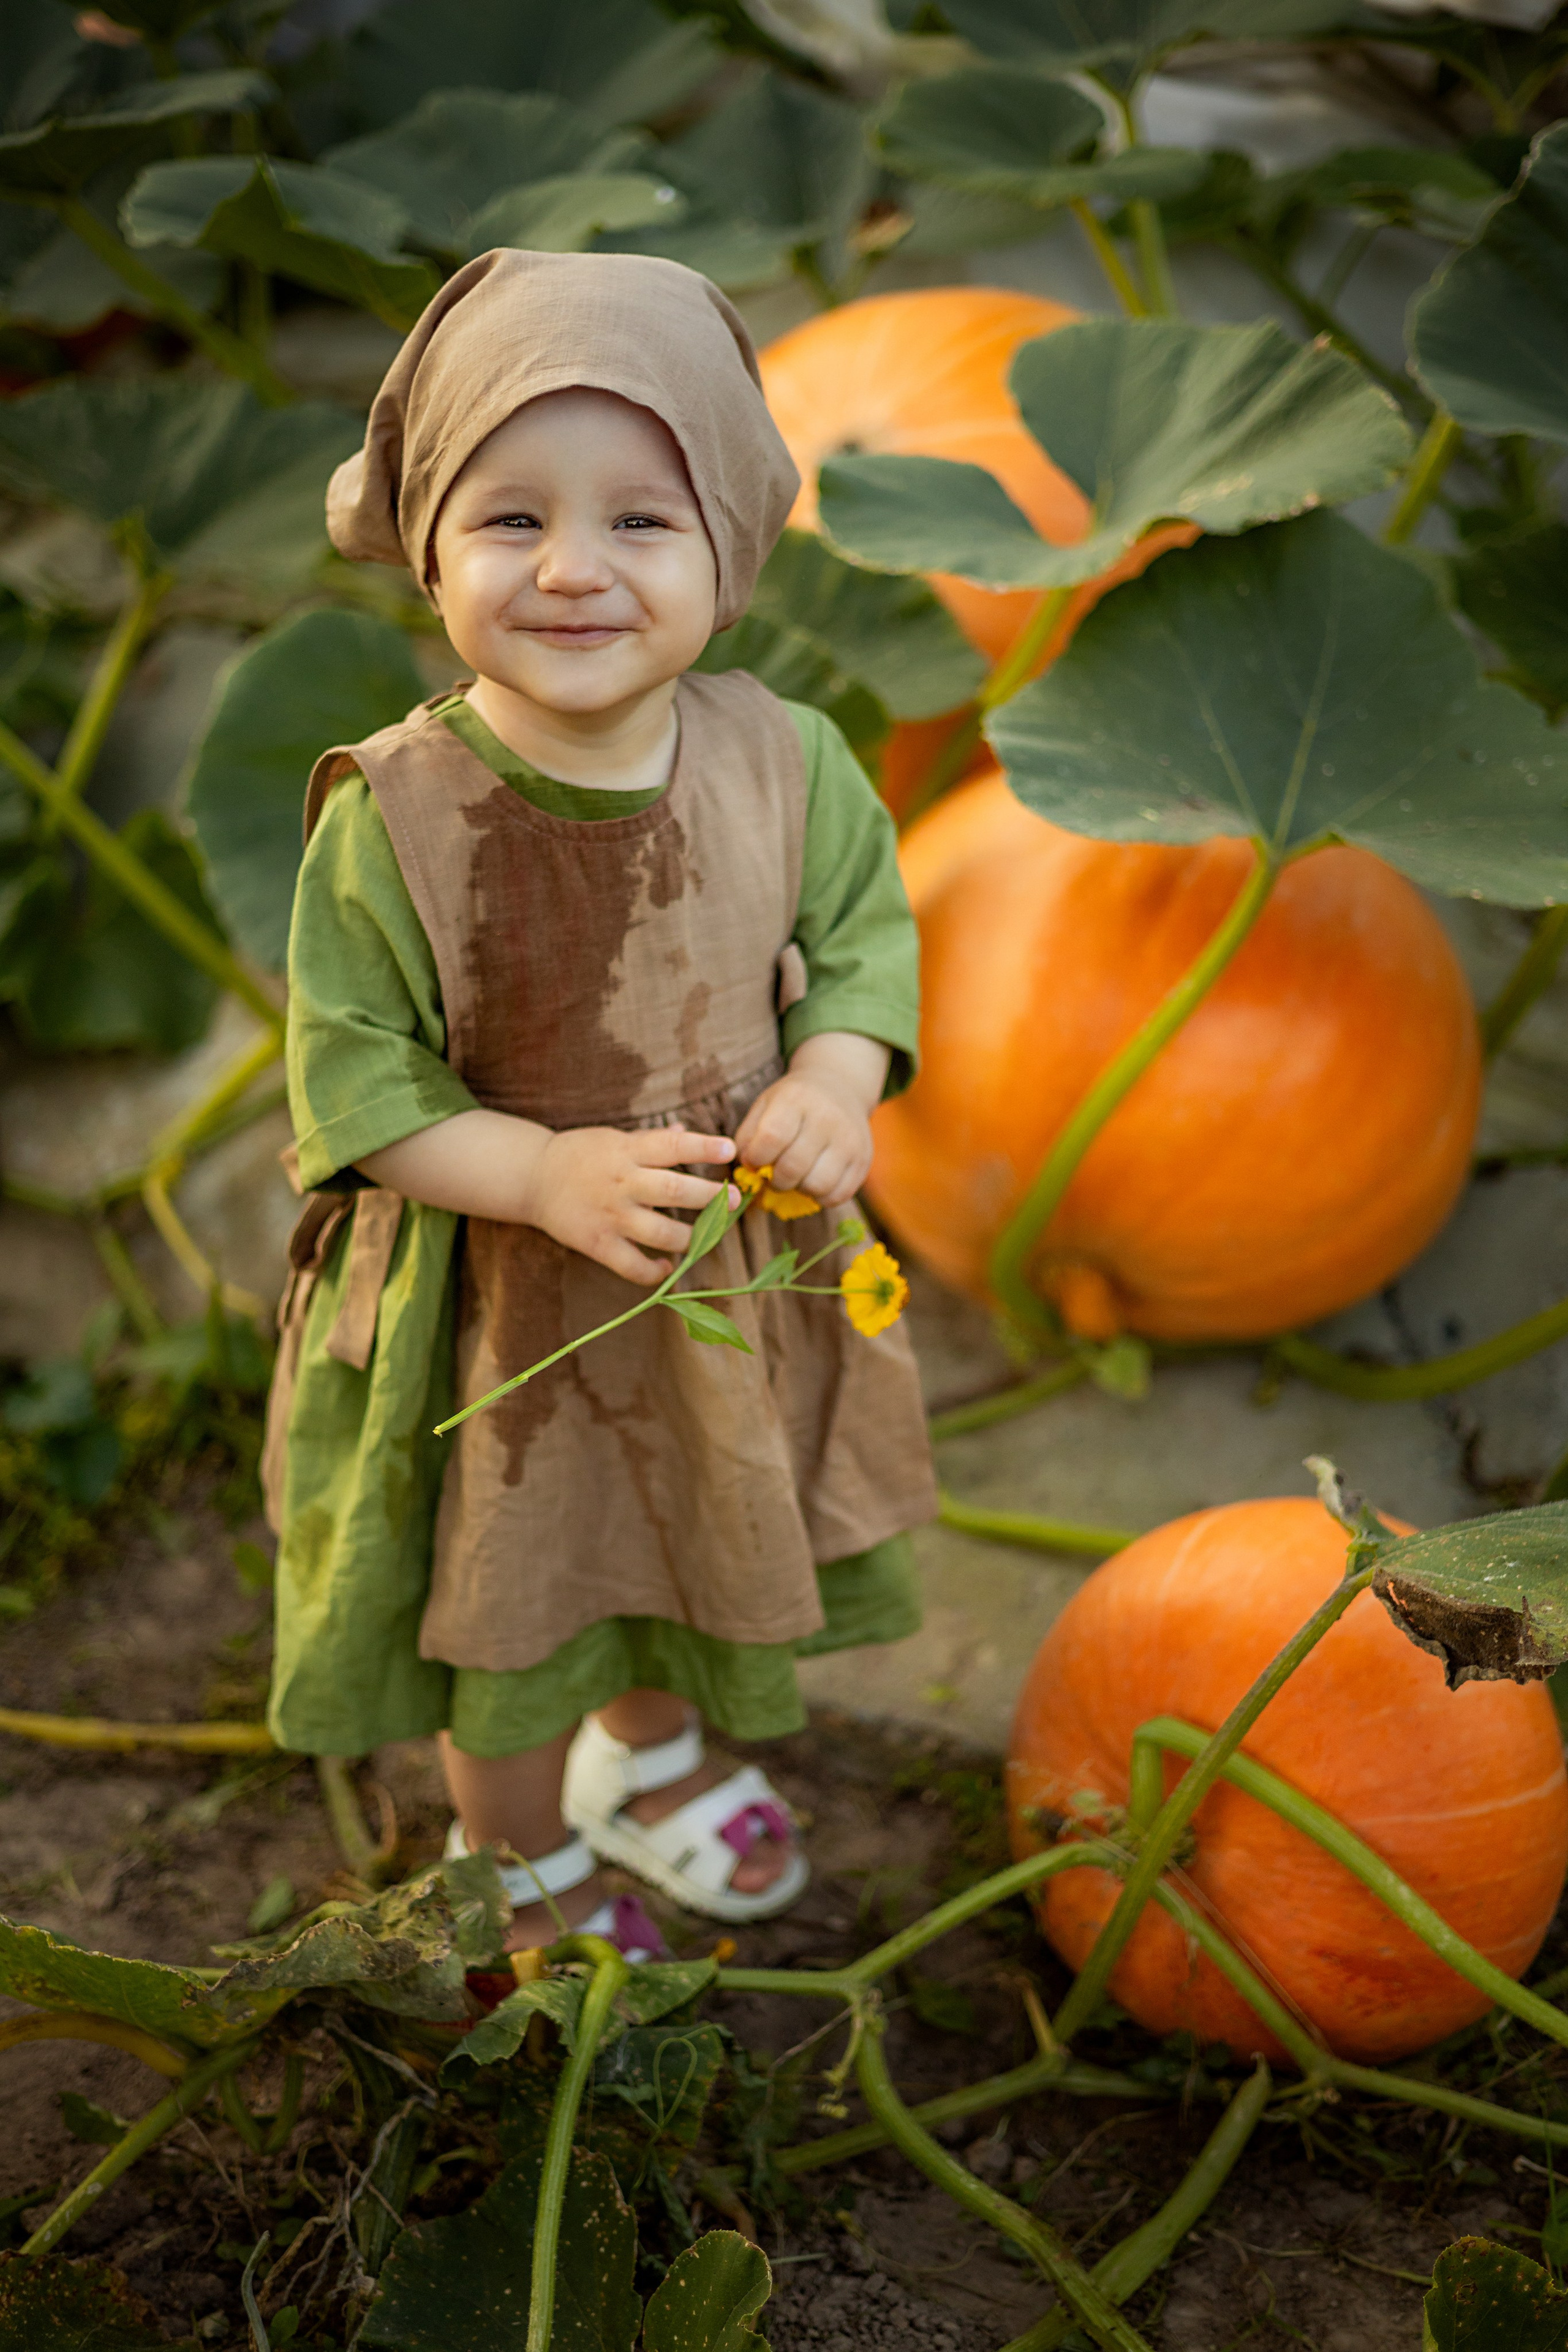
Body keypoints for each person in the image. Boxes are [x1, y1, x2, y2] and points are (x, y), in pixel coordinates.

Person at [263, 248, 938, 1956]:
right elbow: (356, 1079)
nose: (573, 570)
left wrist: (837, 1076)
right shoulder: (399, 810)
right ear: (429, 544)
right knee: (519, 1588)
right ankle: (515, 1849)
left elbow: (861, 940)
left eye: (642, 522)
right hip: (506, 1304)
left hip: (724, 1274)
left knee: (697, 1529)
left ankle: (644, 1764)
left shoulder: (790, 760)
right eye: (509, 521)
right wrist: (538, 1172)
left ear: (731, 546)